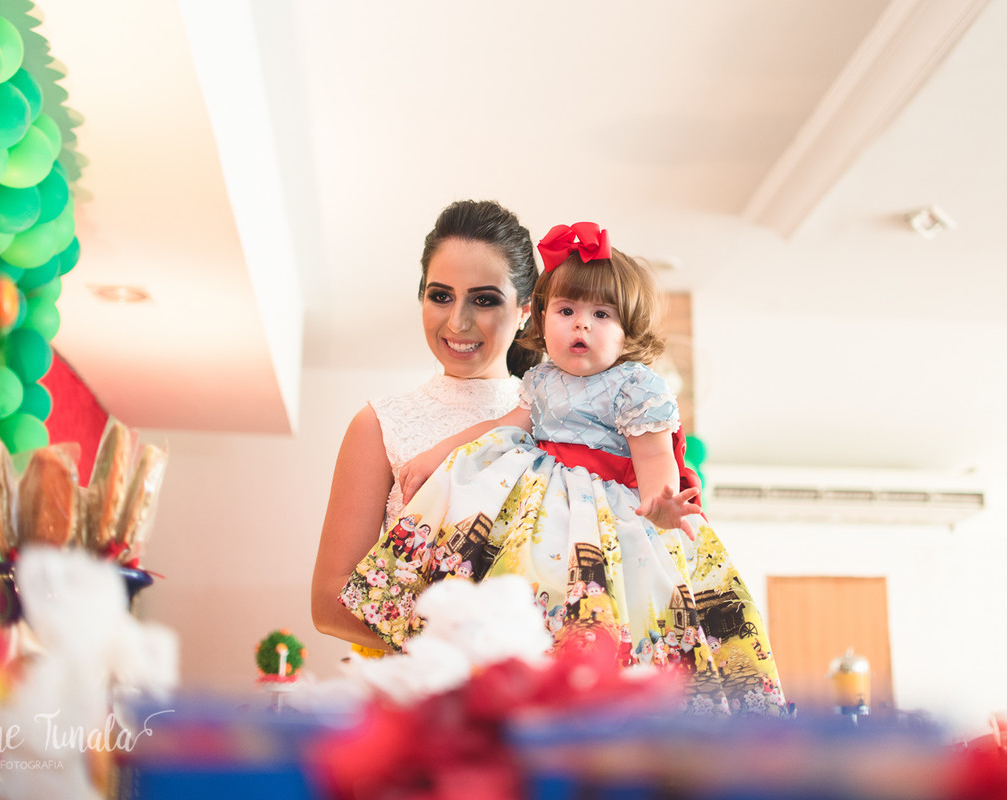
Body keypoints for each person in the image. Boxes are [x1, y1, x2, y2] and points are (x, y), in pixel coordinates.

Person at [340, 222, 787, 716]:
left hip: (609, 511)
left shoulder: (636, 386)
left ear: (627, 331)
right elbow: (500, 425)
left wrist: (660, 504)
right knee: (514, 572)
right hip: (539, 502)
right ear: (541, 319)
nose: (581, 325)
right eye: (567, 311)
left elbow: (656, 455)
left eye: (601, 315)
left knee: (618, 606)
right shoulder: (541, 380)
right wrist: (435, 454)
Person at [310, 200, 540, 653]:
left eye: (485, 299)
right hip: (421, 692)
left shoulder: (560, 418)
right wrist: (467, 650)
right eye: (441, 296)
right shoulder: (379, 423)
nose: (458, 320)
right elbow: (328, 601)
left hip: (541, 700)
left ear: (526, 311)